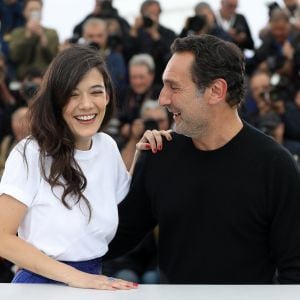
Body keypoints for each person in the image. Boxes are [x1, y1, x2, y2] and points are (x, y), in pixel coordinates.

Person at [106, 34, 300, 284]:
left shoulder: (275, 167)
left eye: (174, 87)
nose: (163, 98)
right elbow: (114, 239)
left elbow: (295, 269)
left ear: (216, 91)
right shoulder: (159, 155)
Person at [0, 45, 142, 289]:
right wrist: (77, 278)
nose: (86, 104)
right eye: (72, 94)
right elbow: (2, 238)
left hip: (91, 284)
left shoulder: (107, 147)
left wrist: (144, 151)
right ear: (56, 100)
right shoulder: (31, 152)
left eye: (95, 92)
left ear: (107, 96)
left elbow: (123, 203)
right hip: (40, 286)